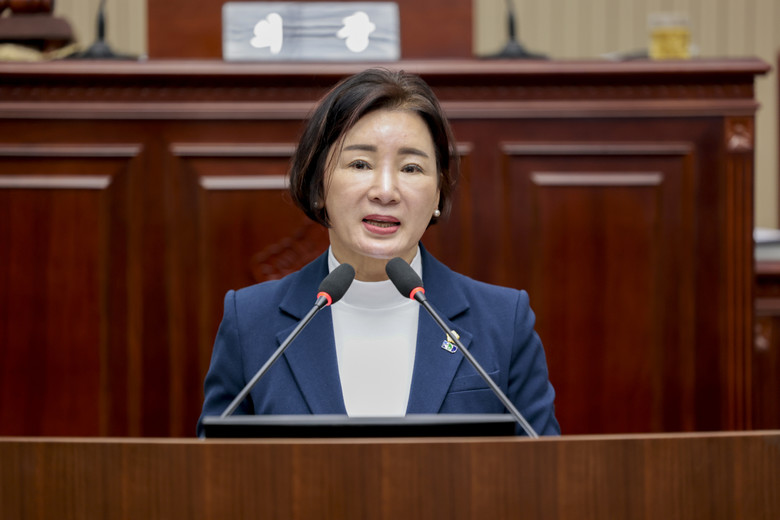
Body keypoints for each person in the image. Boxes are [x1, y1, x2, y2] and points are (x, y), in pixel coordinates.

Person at [197, 68, 559, 436]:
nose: (385, 191)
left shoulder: (503, 321)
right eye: (360, 164)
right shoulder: (250, 322)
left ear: (437, 194)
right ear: (319, 186)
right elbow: (215, 467)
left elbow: (543, 465)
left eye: (411, 168)